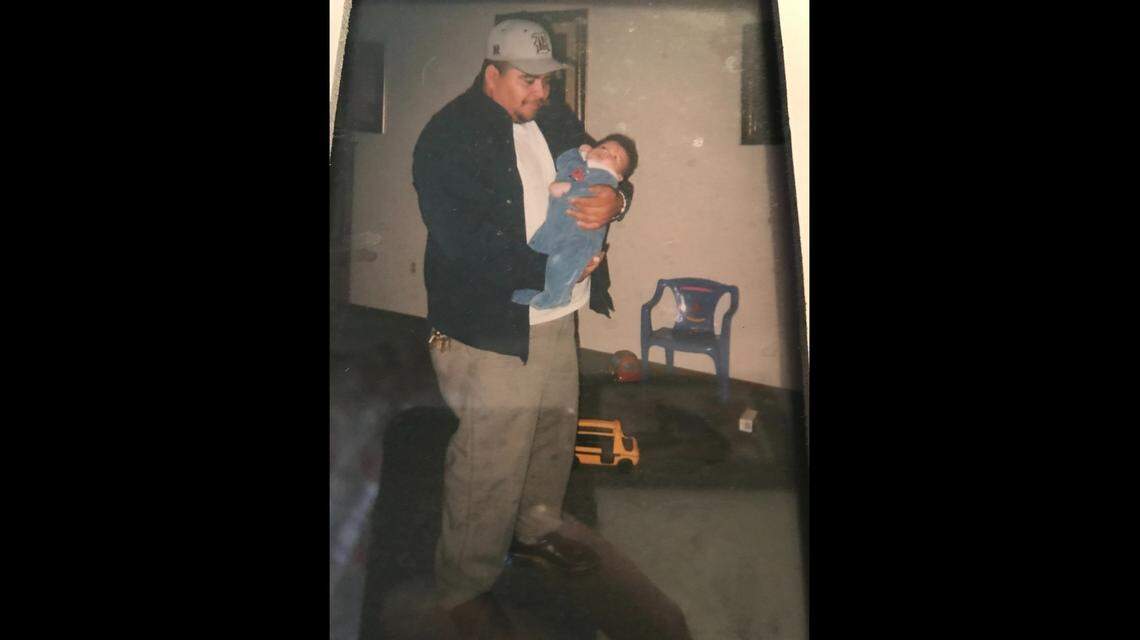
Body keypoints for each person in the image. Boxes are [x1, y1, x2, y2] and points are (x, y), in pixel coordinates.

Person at [411, 18, 634, 637]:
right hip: (491, 321)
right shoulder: (448, 136)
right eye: (528, 80)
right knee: (491, 459)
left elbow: (603, 170)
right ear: (492, 73)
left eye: (546, 80)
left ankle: (534, 534)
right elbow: (462, 239)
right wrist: (554, 264)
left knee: (550, 440)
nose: (541, 91)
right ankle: (464, 588)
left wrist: (618, 199)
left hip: (557, 313)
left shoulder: (552, 117)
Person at [512, 134, 639, 310]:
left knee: (562, 262)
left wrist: (618, 201)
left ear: (618, 176)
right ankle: (536, 291)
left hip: (578, 238)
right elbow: (565, 161)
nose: (607, 154)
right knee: (541, 254)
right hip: (549, 234)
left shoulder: (605, 177)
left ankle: (557, 297)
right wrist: (578, 152)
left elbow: (610, 190)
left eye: (615, 157)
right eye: (603, 148)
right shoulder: (582, 166)